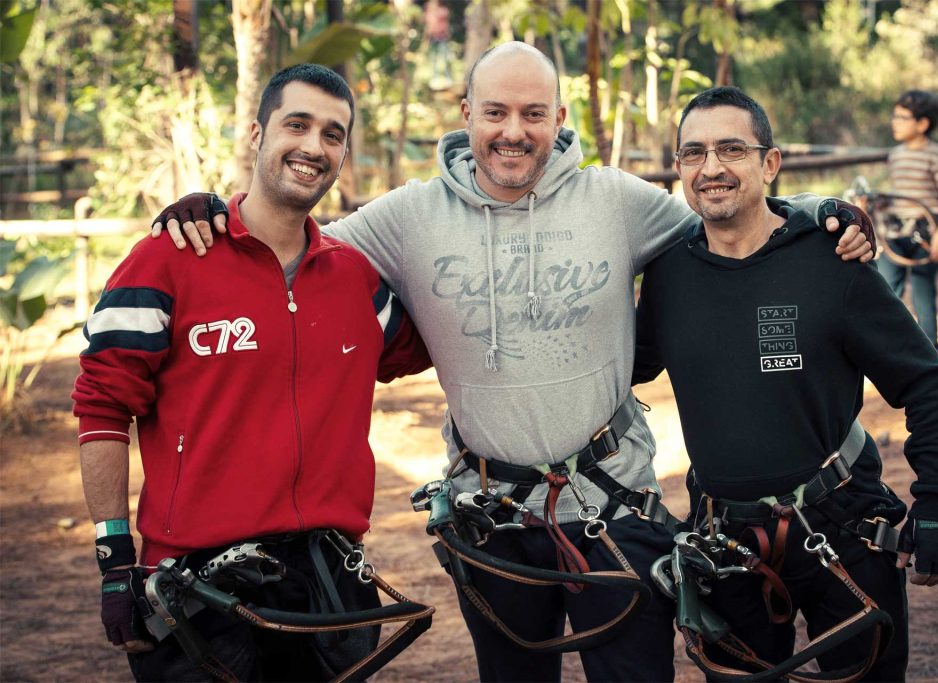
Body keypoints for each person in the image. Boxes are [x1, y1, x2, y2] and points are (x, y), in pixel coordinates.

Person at [150, 42, 874, 682]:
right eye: (495, 111)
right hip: (489, 514)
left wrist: (820, 208)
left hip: (612, 502)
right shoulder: (408, 216)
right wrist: (215, 207)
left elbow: (734, 217)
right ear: (466, 113)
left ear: (560, 117)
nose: (513, 131)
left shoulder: (617, 200)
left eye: (534, 114)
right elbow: (296, 243)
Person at [73, 64, 431, 682]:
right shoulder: (168, 259)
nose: (314, 147)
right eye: (297, 125)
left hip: (330, 588)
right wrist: (115, 564)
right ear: (258, 132)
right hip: (197, 593)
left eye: (333, 134)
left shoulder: (357, 280)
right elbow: (103, 407)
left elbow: (441, 348)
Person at [633, 86, 938, 681]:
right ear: (679, 167)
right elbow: (619, 372)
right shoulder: (666, 275)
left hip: (844, 528)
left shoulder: (834, 262)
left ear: (770, 164)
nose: (711, 167)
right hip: (723, 540)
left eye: (731, 149)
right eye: (693, 153)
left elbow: (925, 380)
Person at [881, 89, 938, 349]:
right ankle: (888, 351)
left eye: (902, 117)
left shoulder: (936, 155)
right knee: (885, 291)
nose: (895, 122)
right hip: (895, 233)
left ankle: (929, 356)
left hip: (924, 234)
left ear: (922, 124)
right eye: (894, 116)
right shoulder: (895, 155)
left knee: (922, 295)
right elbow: (897, 197)